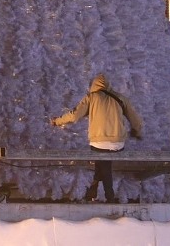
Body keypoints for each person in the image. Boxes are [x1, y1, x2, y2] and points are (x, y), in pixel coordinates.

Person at [50, 73, 142, 203]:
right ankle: (94, 189)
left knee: (103, 162)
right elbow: (136, 119)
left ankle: (109, 196)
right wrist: (136, 131)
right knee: (103, 163)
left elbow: (74, 115)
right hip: (118, 143)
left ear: (93, 85)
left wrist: (56, 121)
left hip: (98, 142)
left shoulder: (91, 97)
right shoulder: (120, 98)